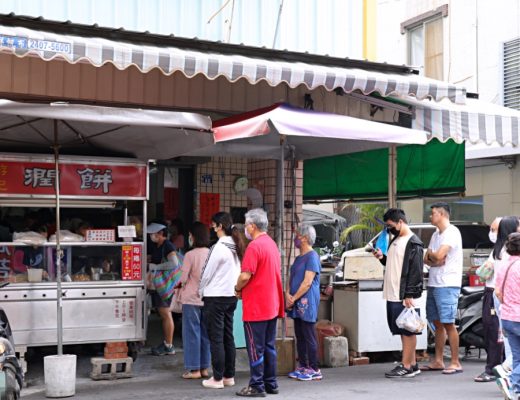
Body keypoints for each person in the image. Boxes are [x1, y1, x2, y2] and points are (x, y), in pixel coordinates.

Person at [235, 208, 284, 397]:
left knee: (255, 348)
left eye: (246, 225)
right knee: (269, 346)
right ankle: (271, 383)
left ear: (253, 226)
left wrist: (237, 288)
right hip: (272, 304)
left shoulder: (254, 247)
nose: (245, 229)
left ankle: (256, 385)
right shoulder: (271, 244)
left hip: (256, 306)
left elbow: (245, 276)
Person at [372, 208, 424, 378]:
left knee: (408, 330)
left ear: (400, 222)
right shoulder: (396, 239)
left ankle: (406, 365)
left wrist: (409, 294)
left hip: (403, 295)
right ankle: (413, 364)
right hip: (393, 293)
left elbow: (416, 271)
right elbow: (395, 265)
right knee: (404, 330)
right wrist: (382, 257)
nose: (389, 229)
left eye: (390, 225)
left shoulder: (413, 242)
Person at [199, 212, 245, 389]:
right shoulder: (236, 246)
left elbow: (206, 272)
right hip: (231, 296)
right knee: (228, 336)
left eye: (213, 224)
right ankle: (228, 376)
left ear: (219, 226)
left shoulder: (218, 247)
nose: (211, 227)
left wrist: (201, 291)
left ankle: (217, 378)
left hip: (215, 297)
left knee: (216, 338)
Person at [421, 202, 463, 375]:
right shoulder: (436, 234)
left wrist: (435, 257)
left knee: (448, 323)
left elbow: (437, 256)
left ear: (442, 214)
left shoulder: (451, 232)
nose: (431, 217)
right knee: (437, 323)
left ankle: (455, 362)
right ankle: (438, 360)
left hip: (447, 283)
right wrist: (435, 258)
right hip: (434, 282)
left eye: (433, 214)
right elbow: (427, 258)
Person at [286, 224, 323, 381]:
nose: (296, 238)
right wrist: (287, 294)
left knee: (308, 334)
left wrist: (293, 298)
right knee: (300, 334)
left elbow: (307, 282)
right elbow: (292, 278)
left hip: (307, 301)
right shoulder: (299, 257)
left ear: (305, 238)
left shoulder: (312, 256)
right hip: (295, 301)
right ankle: (302, 365)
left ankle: (314, 368)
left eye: (298, 235)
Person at [474, 217, 507, 383]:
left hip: (497, 294)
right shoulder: (498, 248)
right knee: (495, 332)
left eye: (494, 230)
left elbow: (483, 273)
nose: (491, 233)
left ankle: (494, 368)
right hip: (493, 292)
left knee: (495, 332)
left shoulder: (504, 250)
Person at [178, 221, 211, 379]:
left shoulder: (190, 255)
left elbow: (183, 278)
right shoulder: (212, 253)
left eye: (190, 235)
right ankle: (205, 368)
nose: (189, 238)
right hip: (209, 298)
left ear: (194, 237)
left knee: (192, 333)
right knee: (206, 334)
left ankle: (194, 369)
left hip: (191, 299)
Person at [147, 221, 180, 356]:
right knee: (164, 314)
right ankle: (167, 343)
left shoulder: (167, 245)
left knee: (166, 314)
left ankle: (169, 345)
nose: (151, 236)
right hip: (159, 285)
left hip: (165, 285)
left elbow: (174, 263)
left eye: (153, 234)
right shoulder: (158, 245)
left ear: (160, 234)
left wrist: (156, 267)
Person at [495, 232, 520, 400]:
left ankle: (516, 390)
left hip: (507, 317)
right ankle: (510, 381)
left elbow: (498, 292)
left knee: (518, 356)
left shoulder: (503, 265)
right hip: (518, 316)